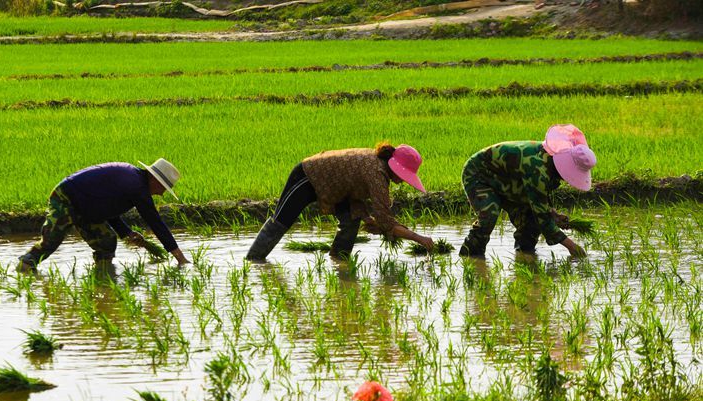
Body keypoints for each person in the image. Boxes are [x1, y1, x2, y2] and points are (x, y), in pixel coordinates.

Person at [245, 142, 435, 262]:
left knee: (351, 220)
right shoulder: (377, 173)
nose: (403, 180)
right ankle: (253, 261)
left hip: (336, 187)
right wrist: (420, 239)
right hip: (308, 177)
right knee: (281, 221)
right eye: (404, 176)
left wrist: (367, 217)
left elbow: (353, 188)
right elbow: (386, 221)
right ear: (395, 167)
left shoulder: (380, 169)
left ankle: (339, 262)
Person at [17, 159, 190, 272]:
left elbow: (106, 208)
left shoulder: (133, 181)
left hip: (87, 206)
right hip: (67, 197)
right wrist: (180, 259)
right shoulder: (136, 187)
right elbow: (155, 222)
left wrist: (127, 233)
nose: (161, 194)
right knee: (51, 240)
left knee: (106, 242)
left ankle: (102, 278)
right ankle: (24, 268)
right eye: (163, 188)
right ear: (155, 180)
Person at [458, 124, 594, 259]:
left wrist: (554, 214)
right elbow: (544, 219)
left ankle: (524, 256)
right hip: (479, 174)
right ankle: (470, 257)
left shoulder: (551, 162)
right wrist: (572, 246)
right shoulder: (538, 169)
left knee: (531, 223)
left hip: (508, 179)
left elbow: (539, 200)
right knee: (489, 215)